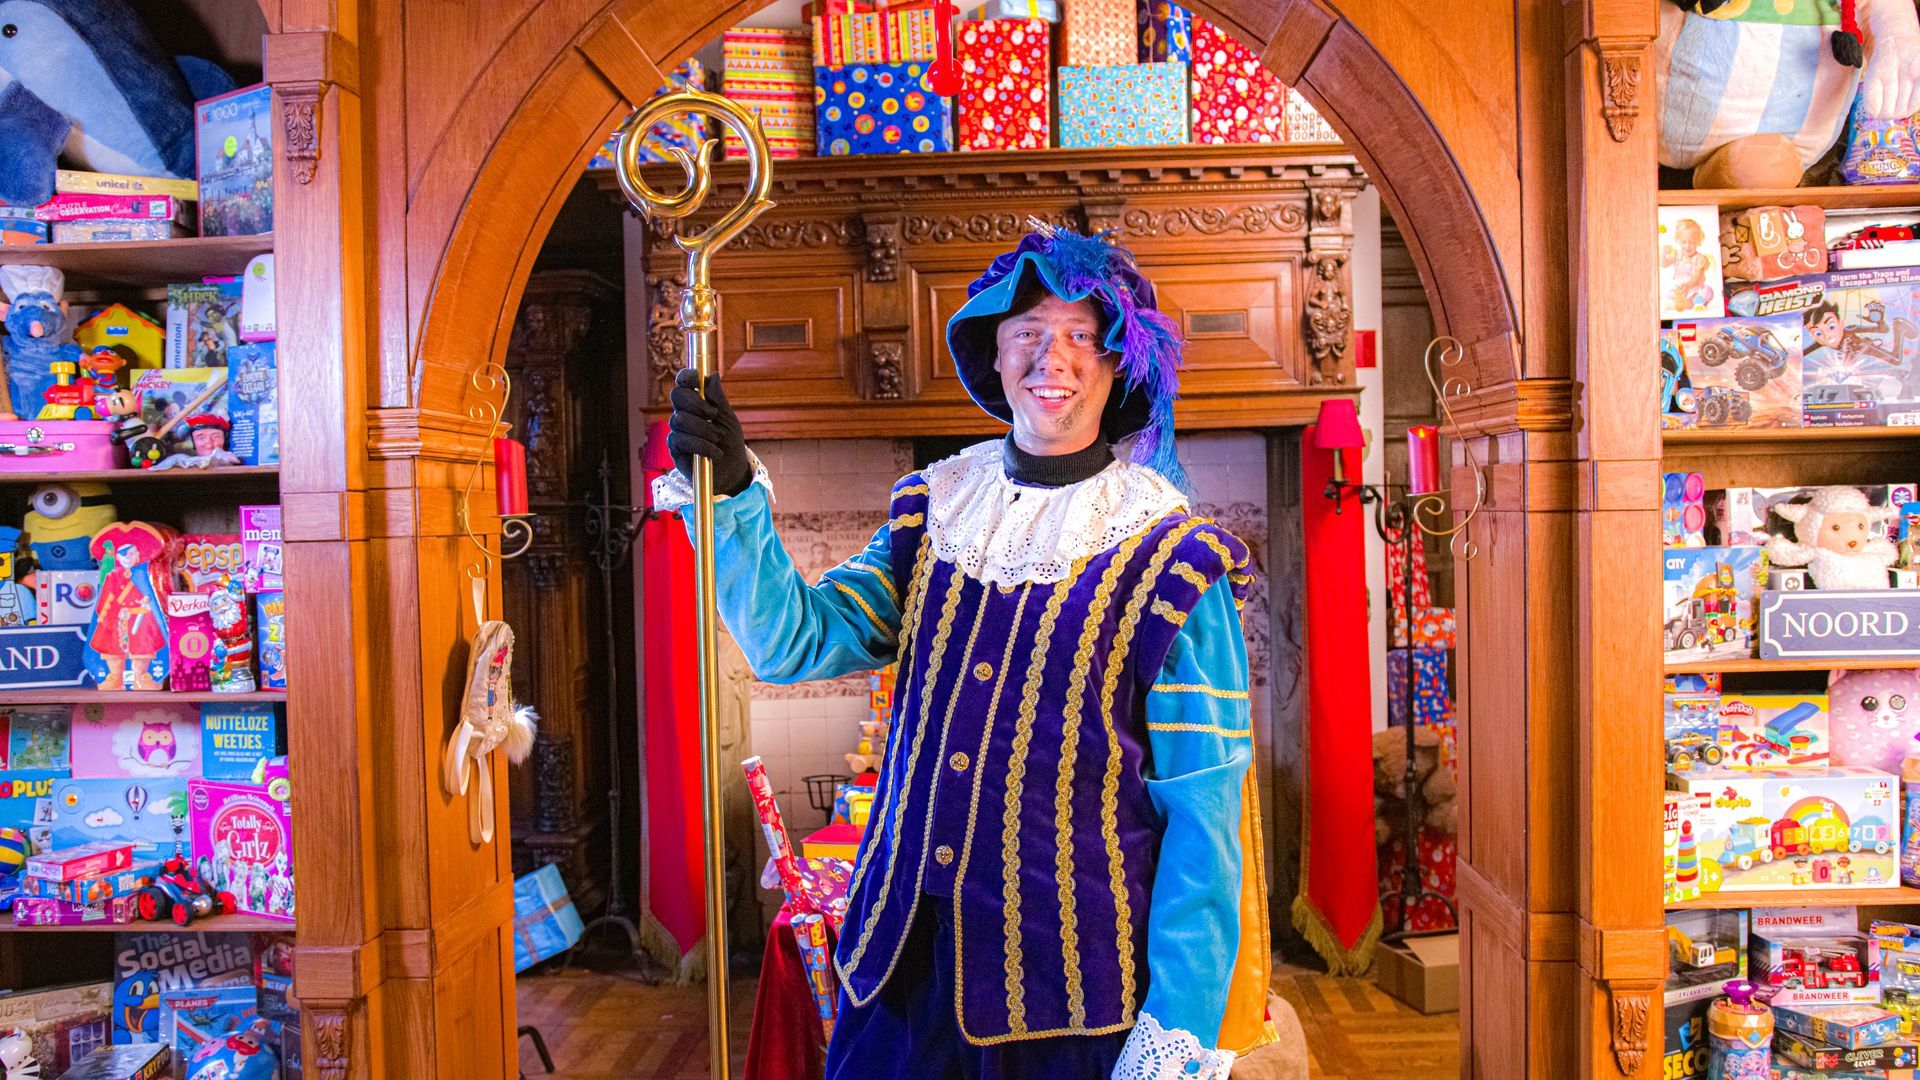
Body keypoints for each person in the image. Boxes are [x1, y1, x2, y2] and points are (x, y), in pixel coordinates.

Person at [659, 223, 1268, 1079]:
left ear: (1117, 364)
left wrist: (1177, 1032)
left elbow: (1204, 821)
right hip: (899, 980)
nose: (1051, 357)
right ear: (995, 351)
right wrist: (728, 494)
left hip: (1071, 1005)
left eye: (1080, 335)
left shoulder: (1175, 560)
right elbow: (793, 641)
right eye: (1028, 331)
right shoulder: (933, 512)